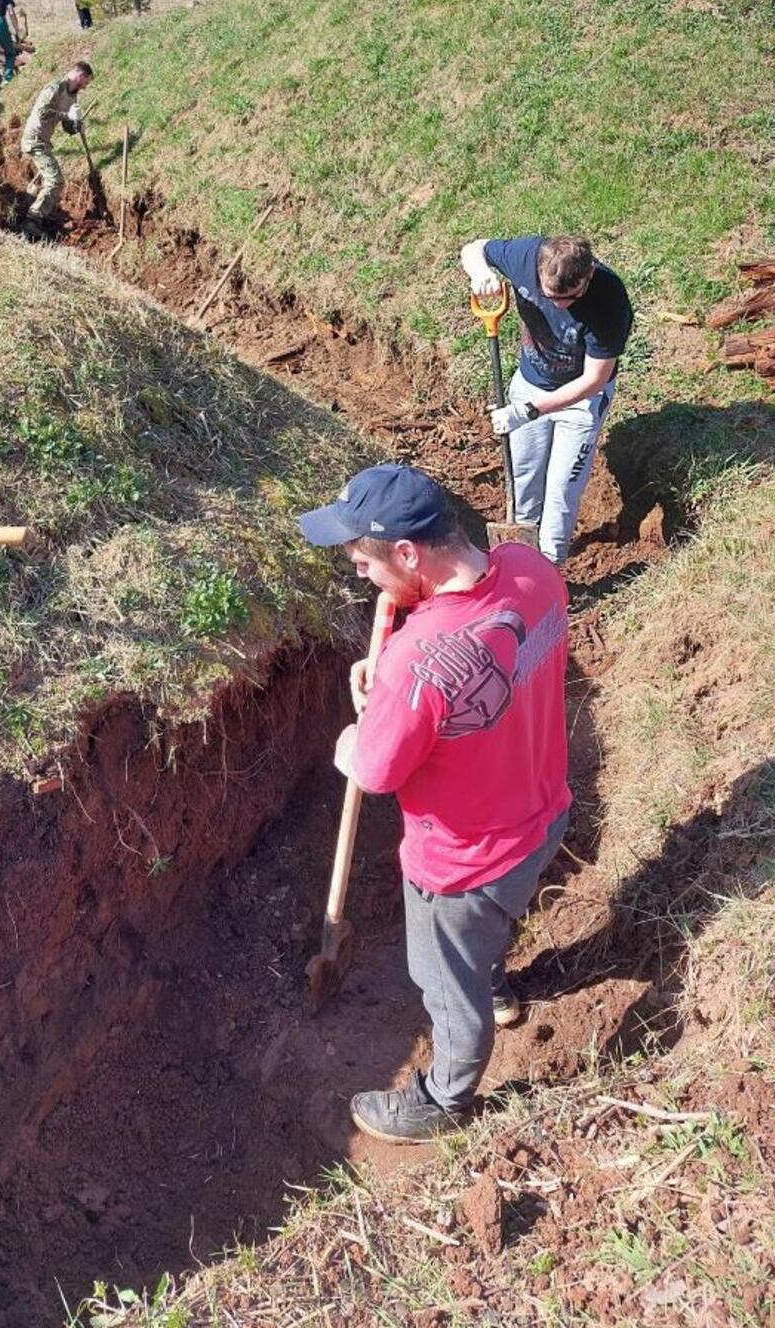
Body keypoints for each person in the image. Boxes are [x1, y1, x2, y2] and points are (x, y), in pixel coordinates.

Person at [298, 462, 571, 1142]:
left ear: (408, 553)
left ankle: (444, 1098)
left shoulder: (417, 664)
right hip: (542, 812)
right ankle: (495, 979)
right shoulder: (532, 571)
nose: (359, 572)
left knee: (442, 981)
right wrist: (393, 679)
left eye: (362, 560)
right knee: (493, 928)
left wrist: (359, 727)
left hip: (463, 864)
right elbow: (477, 659)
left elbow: (375, 769)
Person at [460, 235, 634, 566]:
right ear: (539, 272)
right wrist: (480, 273)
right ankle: (520, 559)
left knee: (561, 494)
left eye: (570, 298)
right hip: (530, 385)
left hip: (582, 401)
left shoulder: (610, 299)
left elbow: (594, 379)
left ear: (590, 273)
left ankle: (549, 569)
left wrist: (530, 411)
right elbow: (472, 249)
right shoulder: (525, 256)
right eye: (551, 296)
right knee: (523, 479)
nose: (559, 306)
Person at [20, 60, 93, 235]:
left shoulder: (72, 95)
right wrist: (66, 114)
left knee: (51, 178)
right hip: (34, 139)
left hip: (43, 141)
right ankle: (32, 220)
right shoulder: (54, 89)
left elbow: (66, 127)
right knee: (55, 180)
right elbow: (42, 113)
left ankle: (31, 203)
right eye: (86, 82)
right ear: (80, 75)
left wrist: (76, 125)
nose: (84, 87)